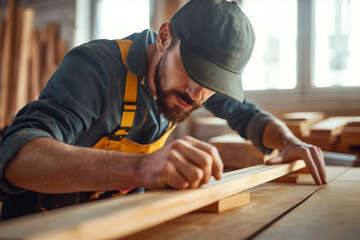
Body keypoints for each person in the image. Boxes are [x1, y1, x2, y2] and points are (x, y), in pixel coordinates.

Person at [0, 0, 326, 220]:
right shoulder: (95, 68)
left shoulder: (192, 86)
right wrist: (143, 168)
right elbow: (15, 158)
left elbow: (248, 115)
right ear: (164, 37)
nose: (197, 93)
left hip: (112, 220)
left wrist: (288, 142)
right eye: (194, 71)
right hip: (42, 223)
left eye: (212, 82)